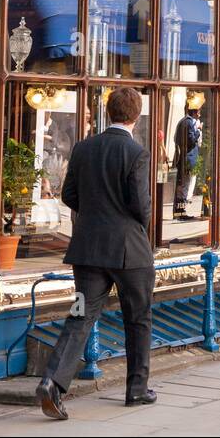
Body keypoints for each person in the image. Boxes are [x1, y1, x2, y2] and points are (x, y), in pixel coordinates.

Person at [35, 87, 156, 420]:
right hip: (130, 252)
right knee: (139, 318)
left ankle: (52, 383)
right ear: (136, 114)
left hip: (87, 251)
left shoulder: (83, 148)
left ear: (108, 111)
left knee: (79, 317)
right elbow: (141, 207)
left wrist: (94, 214)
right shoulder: (136, 153)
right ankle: (136, 389)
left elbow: (69, 195)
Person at [173, 107, 203, 219]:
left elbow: (176, 139)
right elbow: (191, 140)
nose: (199, 115)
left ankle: (179, 211)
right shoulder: (189, 122)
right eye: (198, 112)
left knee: (183, 185)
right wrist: (199, 130)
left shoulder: (183, 121)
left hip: (184, 157)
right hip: (188, 158)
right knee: (185, 185)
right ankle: (181, 211)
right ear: (194, 112)